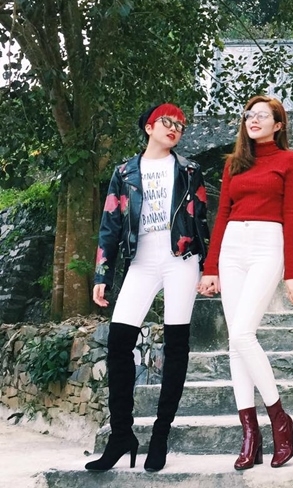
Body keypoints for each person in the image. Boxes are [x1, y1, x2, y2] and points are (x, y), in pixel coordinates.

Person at [86, 103, 210, 473]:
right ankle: (121, 435)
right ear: (149, 127)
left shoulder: (190, 170)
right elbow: (110, 223)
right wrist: (102, 275)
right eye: (167, 122)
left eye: (180, 125)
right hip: (140, 263)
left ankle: (160, 435)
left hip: (181, 261)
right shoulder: (124, 172)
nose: (175, 129)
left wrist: (209, 268)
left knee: (177, 346)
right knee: (119, 343)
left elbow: (201, 222)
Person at [198, 95, 293, 470]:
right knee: (235, 343)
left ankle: (280, 422)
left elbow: (290, 216)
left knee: (243, 334)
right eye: (249, 115)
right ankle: (251, 436)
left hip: (267, 245)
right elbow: (222, 215)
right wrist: (210, 268)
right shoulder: (234, 163)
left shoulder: (289, 161)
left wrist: (292, 273)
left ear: (278, 124)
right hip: (232, 248)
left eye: (262, 115)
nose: (253, 119)